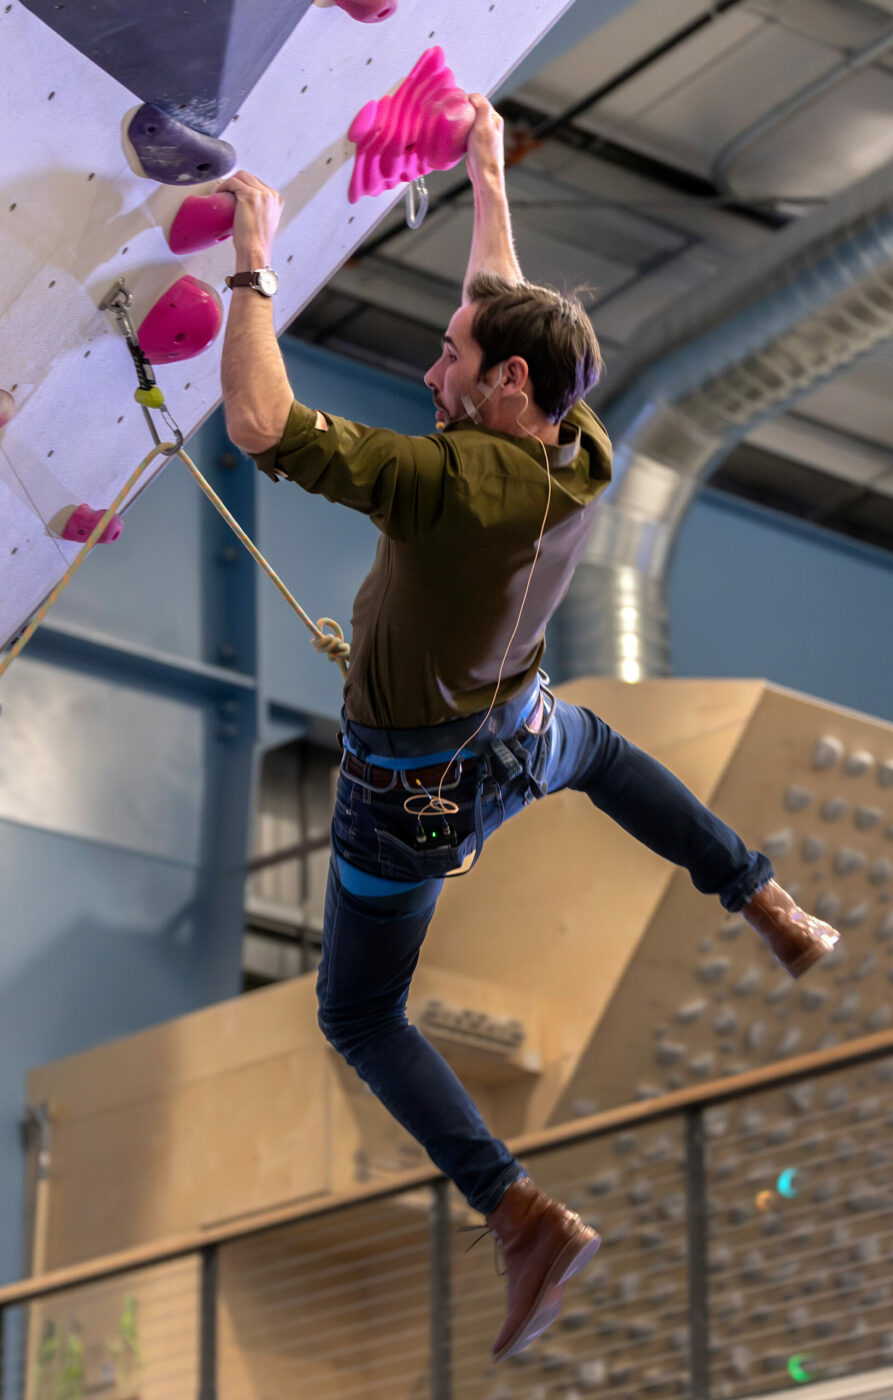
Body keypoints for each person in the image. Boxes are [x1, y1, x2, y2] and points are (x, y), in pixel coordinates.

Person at [218, 96, 841, 1362]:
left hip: (413, 792)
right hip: (517, 732)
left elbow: (259, 422)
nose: (429, 372)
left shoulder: (449, 480)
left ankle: (519, 1213)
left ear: (506, 382)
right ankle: (764, 897)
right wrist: (487, 172)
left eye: (448, 357)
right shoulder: (582, 444)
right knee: (595, 749)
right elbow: (497, 302)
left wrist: (252, 260)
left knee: (359, 1014)